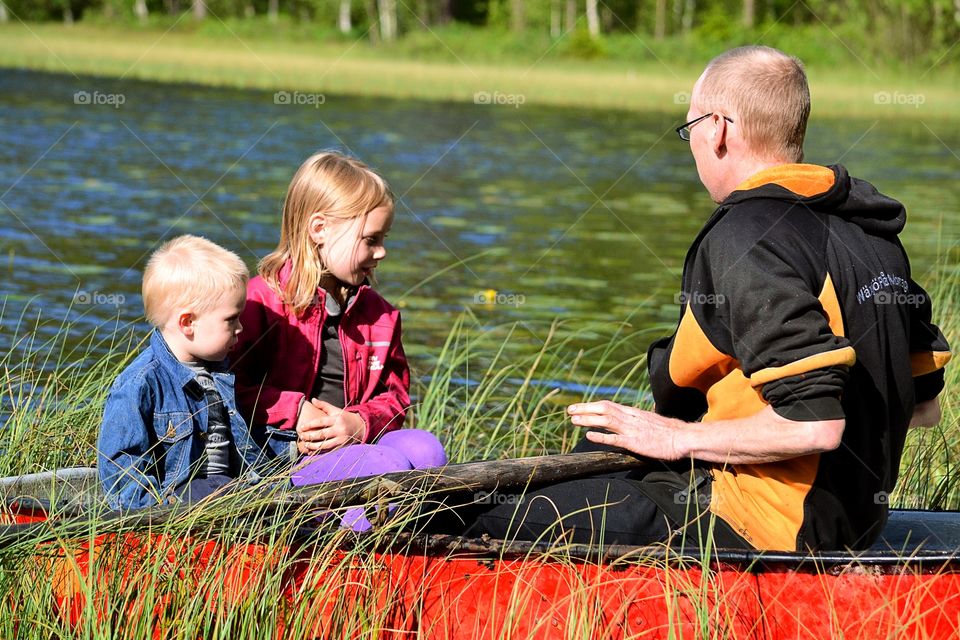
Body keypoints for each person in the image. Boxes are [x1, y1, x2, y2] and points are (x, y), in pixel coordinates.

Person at [468, 46, 951, 551]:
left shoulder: (747, 236)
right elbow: (923, 407)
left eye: (690, 128)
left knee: (486, 516)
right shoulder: (871, 234)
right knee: (598, 442)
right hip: (856, 521)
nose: (693, 144)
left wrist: (677, 439)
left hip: (762, 525)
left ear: (717, 127)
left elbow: (817, 424)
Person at [230, 151, 446, 530]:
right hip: (284, 457)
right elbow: (226, 387)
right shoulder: (260, 303)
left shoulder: (380, 315)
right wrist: (295, 410)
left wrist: (360, 423)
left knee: (426, 450)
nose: (381, 252)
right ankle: (344, 553)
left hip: (354, 446)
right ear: (319, 229)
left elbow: (395, 398)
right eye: (370, 240)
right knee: (385, 467)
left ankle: (398, 539)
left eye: (384, 239)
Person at [98, 235, 266, 510]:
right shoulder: (142, 383)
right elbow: (122, 471)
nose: (240, 328)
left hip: (230, 490)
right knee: (225, 491)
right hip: (181, 504)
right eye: (231, 319)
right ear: (188, 322)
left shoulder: (221, 371)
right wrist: (157, 511)